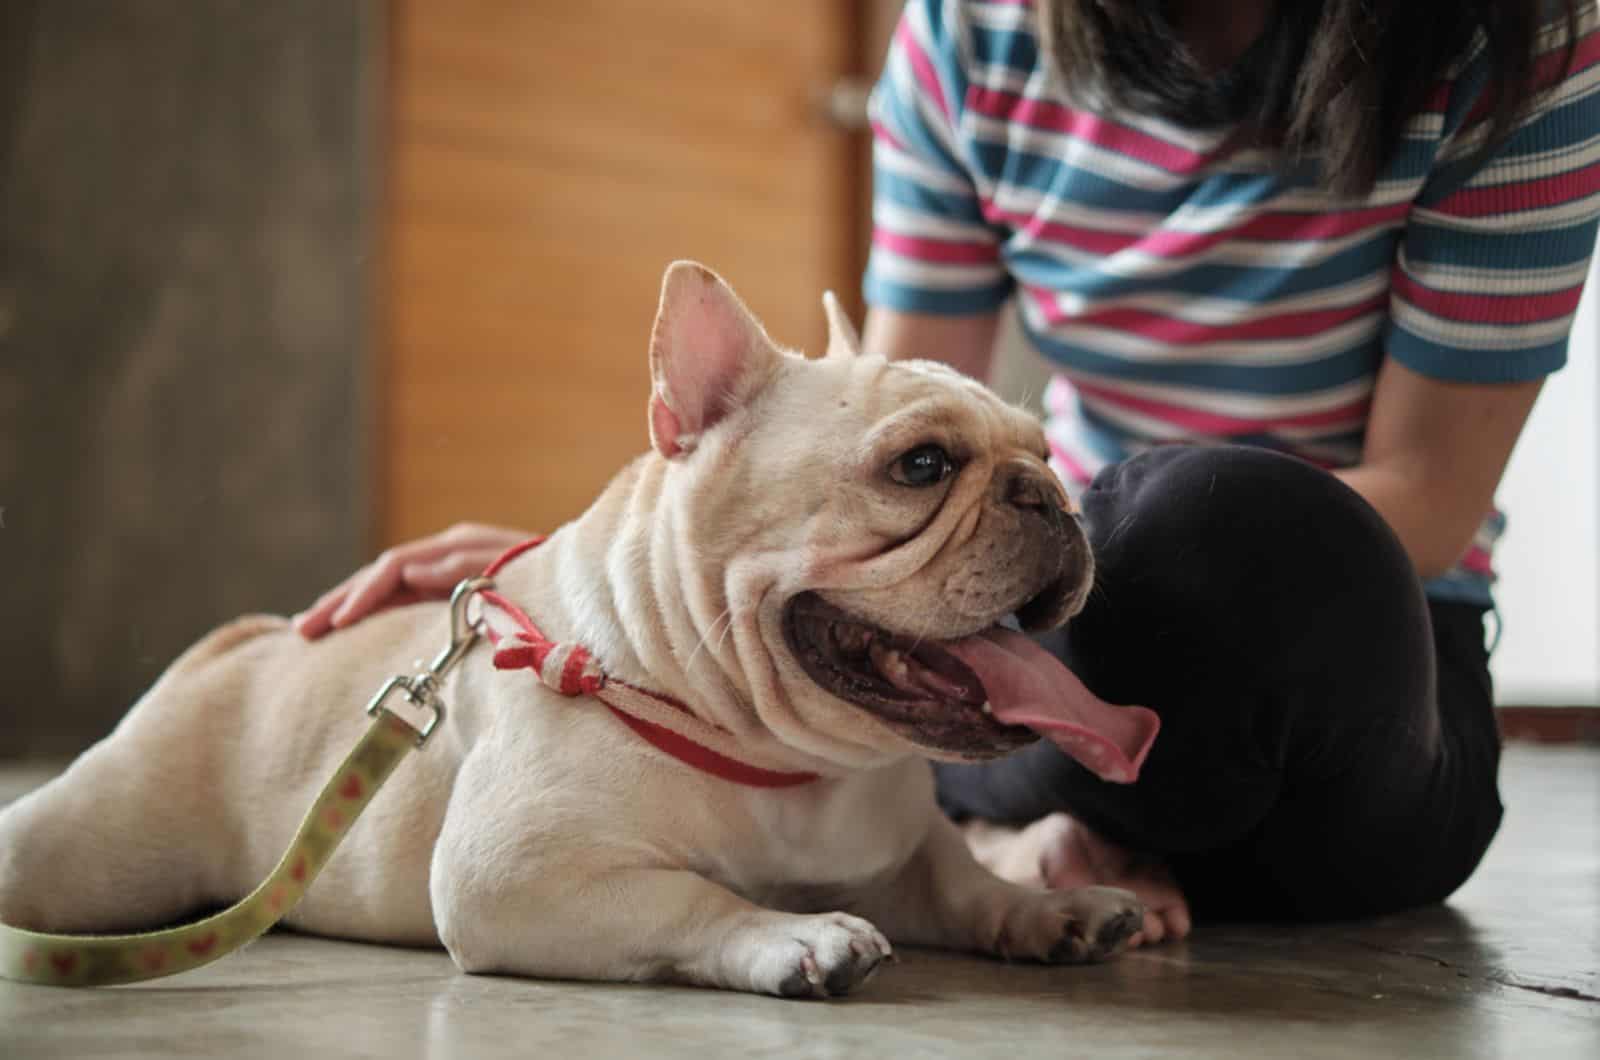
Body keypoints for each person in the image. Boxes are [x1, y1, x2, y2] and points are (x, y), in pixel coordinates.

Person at [297, 0, 1600, 947]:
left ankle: (1014, 840)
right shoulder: (977, 30)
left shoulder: (1521, 48)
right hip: (1030, 665)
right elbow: (891, 437)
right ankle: (996, 855)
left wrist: (1082, 547)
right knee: (929, 620)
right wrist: (596, 570)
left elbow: (1423, 495)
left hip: (1351, 700)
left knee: (1226, 528)